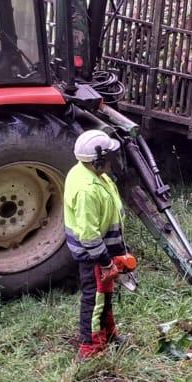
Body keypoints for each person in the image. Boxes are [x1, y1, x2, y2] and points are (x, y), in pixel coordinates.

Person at [64, 130, 135, 358]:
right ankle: (91, 347)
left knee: (104, 296)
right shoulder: (87, 189)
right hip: (95, 255)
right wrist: (105, 262)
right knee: (94, 299)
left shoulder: (93, 175)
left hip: (105, 250)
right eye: (110, 156)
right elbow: (89, 235)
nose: (114, 160)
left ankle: (109, 334)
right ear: (98, 160)